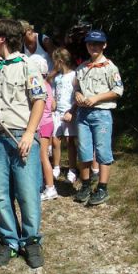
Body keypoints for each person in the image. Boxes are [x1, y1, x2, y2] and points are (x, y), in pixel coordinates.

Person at [0, 18, 46, 268]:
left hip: (21, 137)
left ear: (2, 38)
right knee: (2, 195)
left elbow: (39, 101)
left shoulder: (27, 66)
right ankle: (9, 242)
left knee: (28, 194)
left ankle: (32, 241)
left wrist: (29, 134)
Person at [73, 30, 124, 205]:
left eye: (97, 44)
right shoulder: (82, 68)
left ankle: (102, 188)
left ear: (104, 45)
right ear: (86, 46)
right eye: (90, 44)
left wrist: (96, 98)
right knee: (84, 150)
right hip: (83, 114)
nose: (93, 47)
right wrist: (78, 95)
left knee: (102, 150)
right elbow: (76, 87)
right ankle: (86, 185)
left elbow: (118, 90)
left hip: (101, 114)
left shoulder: (110, 67)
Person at [29, 55, 57, 201]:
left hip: (43, 124)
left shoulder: (39, 85)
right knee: (42, 156)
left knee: (43, 156)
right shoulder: (47, 85)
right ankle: (42, 185)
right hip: (48, 123)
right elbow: (52, 106)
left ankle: (50, 187)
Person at [51, 47, 78, 183]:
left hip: (69, 112)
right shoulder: (57, 78)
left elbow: (77, 95)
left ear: (60, 61)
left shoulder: (74, 75)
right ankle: (56, 167)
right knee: (55, 140)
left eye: (54, 61)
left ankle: (72, 169)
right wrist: (53, 102)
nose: (53, 64)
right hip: (57, 113)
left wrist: (72, 111)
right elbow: (54, 94)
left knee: (70, 141)